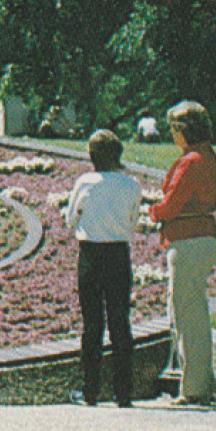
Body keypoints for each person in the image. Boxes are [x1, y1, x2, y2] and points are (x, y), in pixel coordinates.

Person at [149, 99, 216, 405]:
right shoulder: (206, 156)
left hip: (188, 241)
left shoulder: (191, 161)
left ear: (184, 130)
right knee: (193, 312)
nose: (171, 134)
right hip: (200, 237)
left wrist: (153, 211)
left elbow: (171, 204)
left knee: (186, 314)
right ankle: (202, 380)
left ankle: (195, 388)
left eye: (174, 128)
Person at [64, 129, 143, 407]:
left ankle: (90, 390)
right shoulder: (132, 185)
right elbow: (133, 219)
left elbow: (71, 218)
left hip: (91, 253)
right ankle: (124, 392)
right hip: (118, 253)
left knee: (92, 324)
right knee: (120, 322)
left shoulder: (86, 182)